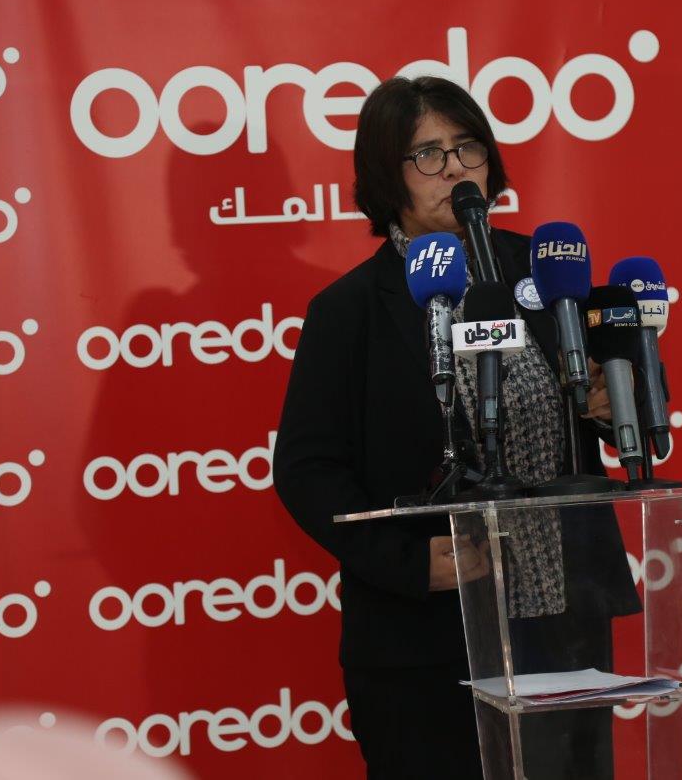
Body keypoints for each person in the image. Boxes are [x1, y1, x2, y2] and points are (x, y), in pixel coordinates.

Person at [273, 76, 639, 780]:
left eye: (467, 147)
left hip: (562, 620)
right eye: (428, 154)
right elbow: (307, 469)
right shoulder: (350, 310)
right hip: (426, 640)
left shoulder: (549, 275)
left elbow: (625, 388)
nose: (455, 169)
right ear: (388, 177)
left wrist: (609, 398)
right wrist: (411, 564)